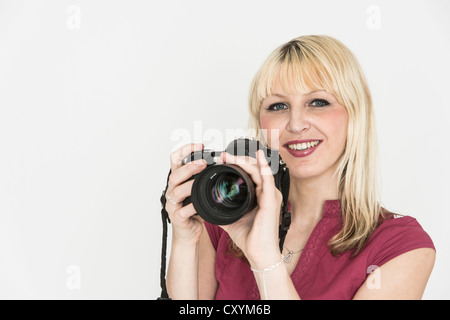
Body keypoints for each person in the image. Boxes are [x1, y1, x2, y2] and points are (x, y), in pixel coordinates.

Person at [163, 35, 435, 300]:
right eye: (278, 105)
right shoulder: (223, 212)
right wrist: (185, 238)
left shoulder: (400, 246)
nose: (295, 124)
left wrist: (265, 259)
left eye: (318, 102)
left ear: (355, 115)